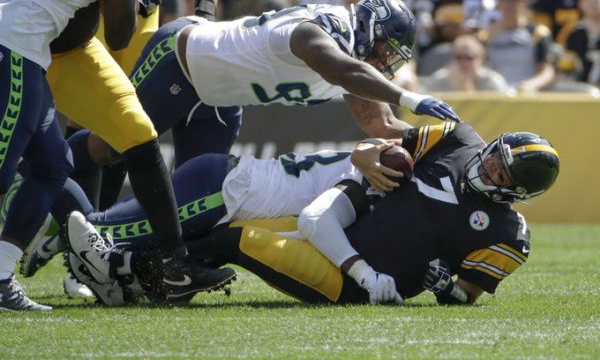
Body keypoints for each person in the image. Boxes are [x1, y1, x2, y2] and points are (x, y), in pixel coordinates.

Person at [63, 119, 560, 306]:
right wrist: (368, 155)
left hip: (350, 284)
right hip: (350, 231)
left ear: (514, 192)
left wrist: (445, 287)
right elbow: (381, 147)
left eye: (500, 173)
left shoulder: (507, 232)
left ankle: (123, 268)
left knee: (236, 240)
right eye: (495, 156)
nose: (488, 166)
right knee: (228, 228)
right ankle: (127, 273)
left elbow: (467, 294)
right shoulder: (457, 138)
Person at [76, 0, 460, 195]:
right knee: (113, 147)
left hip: (221, 98)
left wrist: (451, 143)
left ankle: (132, 259)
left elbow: (382, 125)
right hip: (183, 59)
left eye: (392, 58)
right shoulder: (323, 31)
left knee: (194, 193)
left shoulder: (356, 64)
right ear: (366, 26)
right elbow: (342, 70)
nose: (384, 62)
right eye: (384, 50)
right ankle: (51, 165)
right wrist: (410, 98)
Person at [22, 0, 237, 305]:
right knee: (70, 136)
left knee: (131, 130)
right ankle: (79, 247)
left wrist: (205, 13)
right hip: (60, 15)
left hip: (130, 4)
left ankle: (116, 252)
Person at [0, 0, 160, 311]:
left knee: (53, 165)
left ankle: (0, 275)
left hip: (24, 41)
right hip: (15, 42)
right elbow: (118, 37)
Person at [486, 0, 556, 93]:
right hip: (495, 94)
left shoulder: (538, 33)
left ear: (524, 3)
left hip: (526, 94)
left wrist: (531, 84)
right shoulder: (487, 34)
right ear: (499, 3)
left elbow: (547, 71)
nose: (509, 4)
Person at [423, 34, 511, 94]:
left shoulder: (491, 81)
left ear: (481, 60)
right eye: (459, 57)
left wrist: (467, 90)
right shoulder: (440, 80)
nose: (463, 62)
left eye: (469, 58)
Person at [559, 0, 600, 85]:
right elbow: (565, 67)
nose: (594, 5)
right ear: (581, 3)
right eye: (590, 0)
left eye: (597, 0)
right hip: (580, 89)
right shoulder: (573, 32)